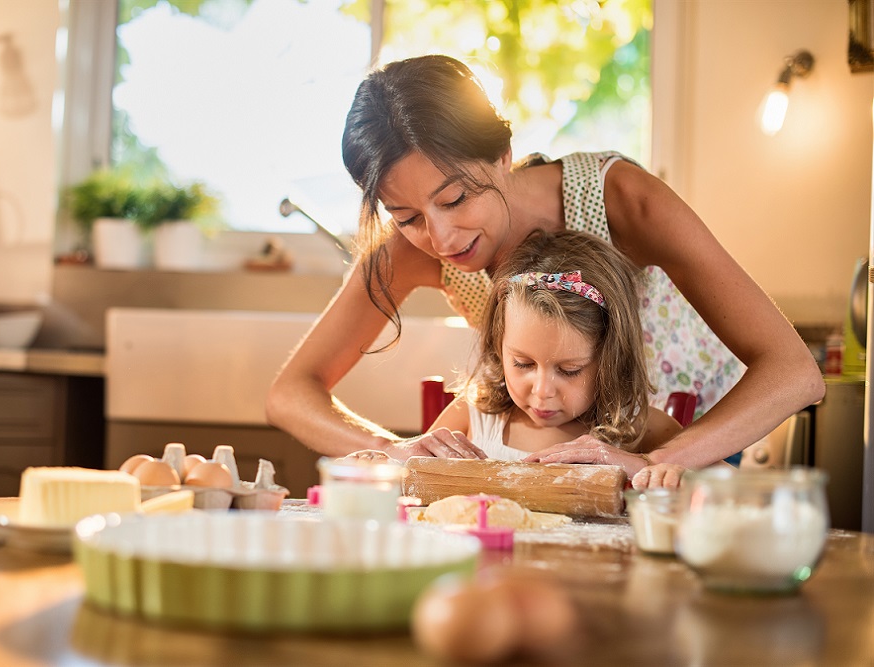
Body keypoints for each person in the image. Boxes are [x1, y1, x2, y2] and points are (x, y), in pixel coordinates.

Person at [266, 54, 824, 489]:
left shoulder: (622, 199)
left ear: (502, 154)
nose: (441, 239)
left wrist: (649, 461)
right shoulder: (414, 249)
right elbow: (290, 393)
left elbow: (794, 371)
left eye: (456, 198)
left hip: (688, 441)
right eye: (407, 216)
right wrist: (392, 452)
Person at [427, 229, 682, 481]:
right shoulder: (474, 416)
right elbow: (409, 477)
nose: (542, 390)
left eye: (569, 369)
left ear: (611, 359)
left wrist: (647, 467)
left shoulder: (643, 429)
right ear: (498, 344)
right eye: (522, 363)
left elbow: (718, 488)